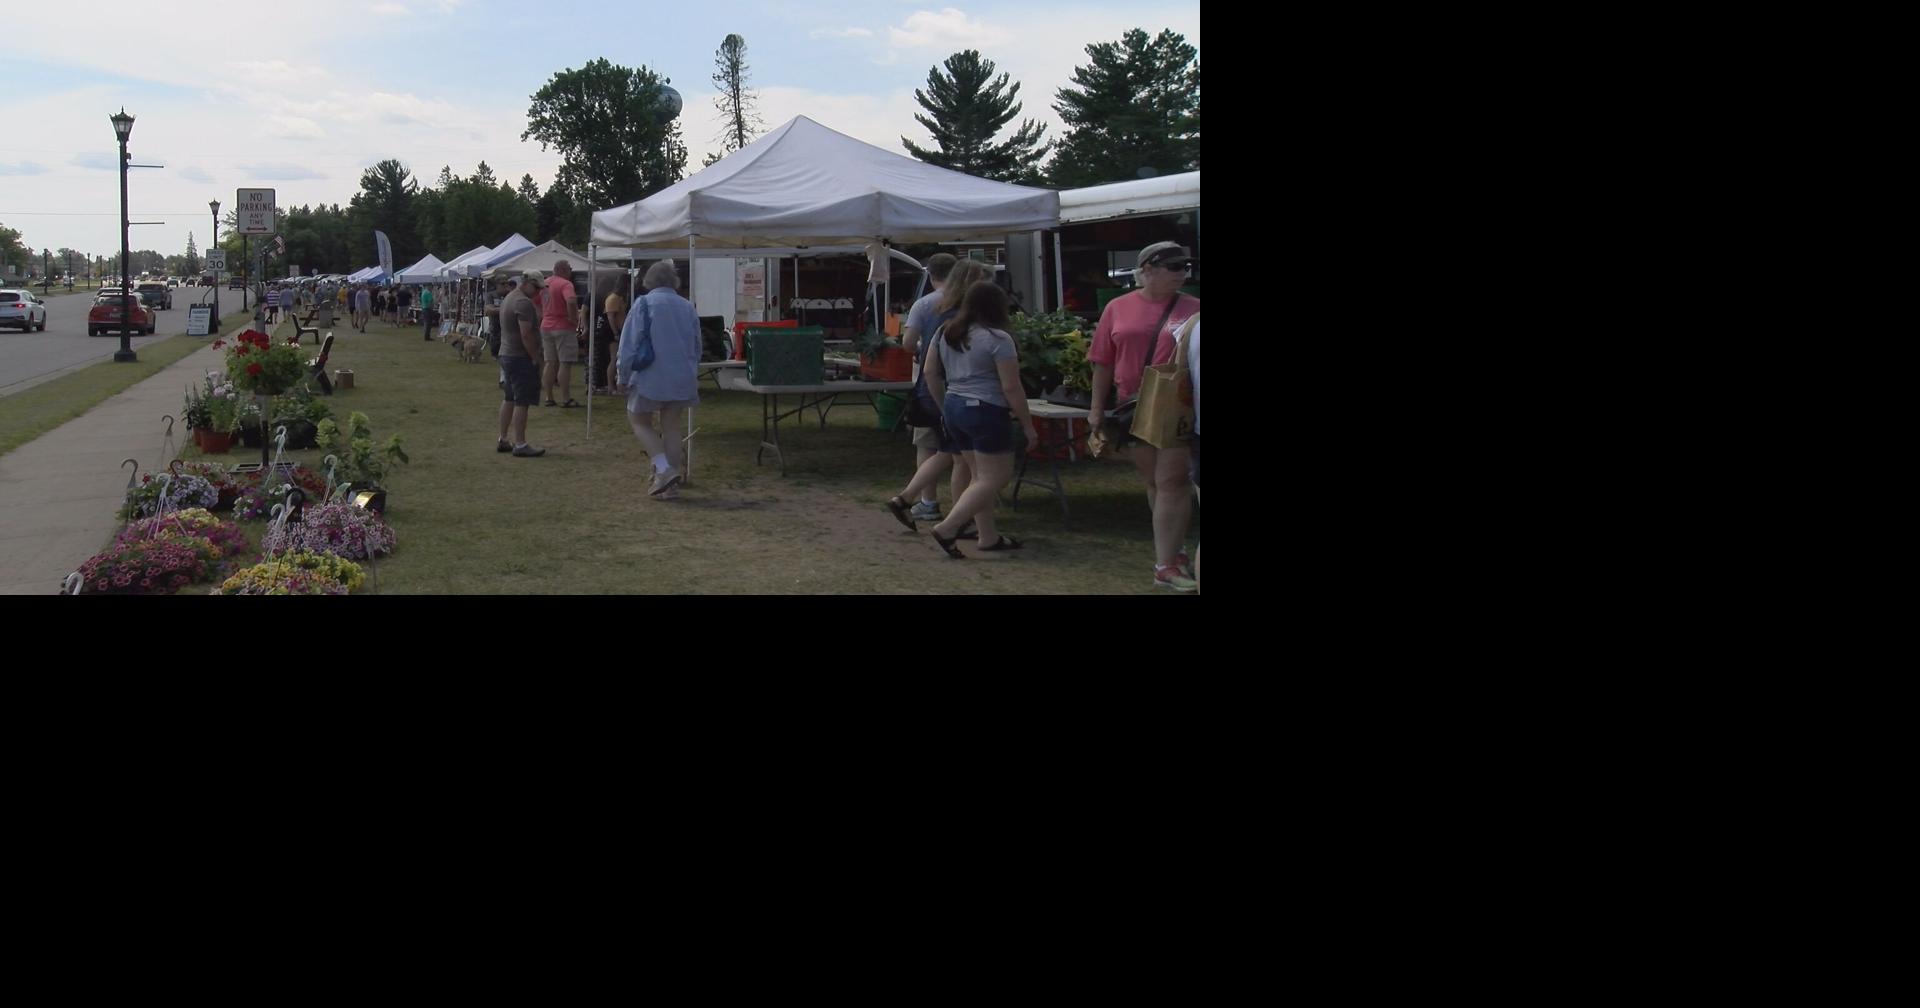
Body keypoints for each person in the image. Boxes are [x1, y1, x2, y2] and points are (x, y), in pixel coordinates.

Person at [1088, 241, 1200, 591]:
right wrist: (1096, 409)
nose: (1182, 273)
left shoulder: (1195, 308)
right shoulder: (1118, 308)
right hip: (1132, 406)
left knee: (1172, 482)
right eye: (1174, 267)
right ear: (1147, 269)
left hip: (1177, 406)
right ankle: (1173, 552)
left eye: (1185, 267)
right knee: (1155, 482)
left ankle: (1165, 565)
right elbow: (1102, 361)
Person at [919, 281, 1035, 557]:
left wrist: (943, 406)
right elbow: (1011, 386)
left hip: (954, 405)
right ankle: (948, 528)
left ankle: (988, 536)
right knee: (996, 477)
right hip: (986, 409)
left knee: (979, 477)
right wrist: (1028, 425)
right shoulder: (998, 339)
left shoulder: (945, 332)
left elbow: (929, 372)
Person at [884, 259, 991, 534]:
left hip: (932, 389)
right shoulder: (967, 314)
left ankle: (915, 499)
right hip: (957, 392)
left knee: (942, 449)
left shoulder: (929, 306)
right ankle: (959, 520)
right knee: (960, 458)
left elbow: (911, 347)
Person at [615, 259, 700, 500]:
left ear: (648, 280)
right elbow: (697, 344)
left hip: (650, 375)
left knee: (639, 421)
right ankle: (670, 485)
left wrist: (622, 375)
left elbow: (628, 344)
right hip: (681, 375)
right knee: (671, 427)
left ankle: (663, 469)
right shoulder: (687, 306)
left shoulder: (643, 304)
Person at [887, 253, 956, 523]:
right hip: (963, 381)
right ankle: (966, 508)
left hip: (930, 381)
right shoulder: (968, 301)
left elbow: (908, 343)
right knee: (961, 451)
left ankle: (928, 502)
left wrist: (920, 349)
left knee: (928, 443)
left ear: (930, 274)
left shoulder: (924, 304)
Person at [495, 271, 546, 457]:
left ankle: (503, 438)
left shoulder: (509, 298)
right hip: (519, 357)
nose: (539, 292)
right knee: (522, 401)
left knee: (509, 397)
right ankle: (520, 444)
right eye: (537, 287)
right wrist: (535, 357)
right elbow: (526, 334)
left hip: (507, 354)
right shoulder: (523, 302)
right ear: (527, 283)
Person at [539, 260, 582, 407]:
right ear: (563, 269)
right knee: (565, 362)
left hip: (546, 325)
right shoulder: (565, 284)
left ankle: (549, 397)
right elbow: (571, 300)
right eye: (570, 268)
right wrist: (573, 318)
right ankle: (566, 398)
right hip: (563, 326)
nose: (571, 271)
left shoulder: (545, 283)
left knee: (550, 362)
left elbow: (536, 301)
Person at [594, 278, 627, 395]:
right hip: (612, 331)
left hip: (618, 330)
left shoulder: (619, 298)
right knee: (614, 359)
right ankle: (611, 386)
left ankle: (615, 385)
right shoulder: (613, 298)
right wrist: (615, 333)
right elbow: (610, 317)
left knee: (617, 358)